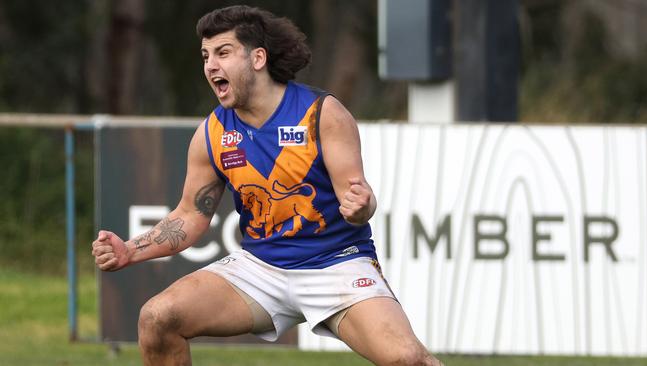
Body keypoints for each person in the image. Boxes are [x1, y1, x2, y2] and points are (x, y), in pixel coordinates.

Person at [91, 5, 442, 366]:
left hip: (335, 264)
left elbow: (357, 201)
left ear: (257, 58)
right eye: (205, 55)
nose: (211, 65)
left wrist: (362, 206)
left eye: (223, 53)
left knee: (407, 359)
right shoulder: (213, 133)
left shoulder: (321, 113)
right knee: (158, 318)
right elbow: (191, 214)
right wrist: (130, 251)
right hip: (260, 268)